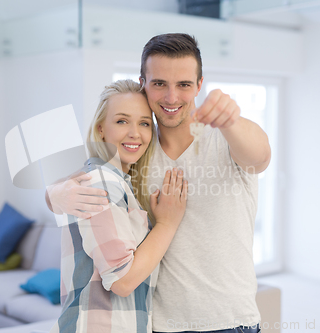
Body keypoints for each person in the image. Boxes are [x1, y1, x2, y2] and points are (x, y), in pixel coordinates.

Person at [47, 34, 270, 333]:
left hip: (228, 323)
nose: (171, 97)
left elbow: (261, 156)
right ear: (144, 84)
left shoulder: (226, 138)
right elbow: (92, 179)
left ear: (199, 85)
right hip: (158, 324)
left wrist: (231, 120)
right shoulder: (138, 150)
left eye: (184, 85)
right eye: (159, 83)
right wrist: (53, 193)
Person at [49, 79, 188, 333]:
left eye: (144, 123)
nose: (135, 133)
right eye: (122, 121)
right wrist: (168, 223)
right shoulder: (102, 182)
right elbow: (122, 281)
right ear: (101, 128)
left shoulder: (117, 182)